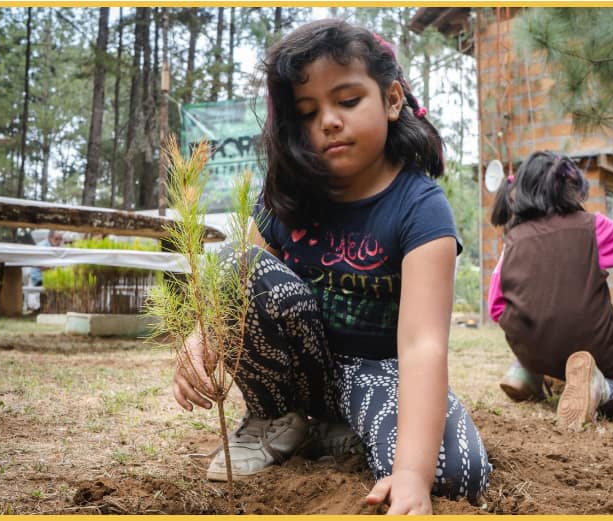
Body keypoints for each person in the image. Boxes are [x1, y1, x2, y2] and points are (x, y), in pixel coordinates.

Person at [171, 19, 490, 514]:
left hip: (381, 372)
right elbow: (240, 284)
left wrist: (410, 475)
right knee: (241, 263)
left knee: (455, 470)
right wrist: (201, 337)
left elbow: (422, 345)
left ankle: (340, 433)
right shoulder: (288, 199)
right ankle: (276, 421)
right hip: (302, 375)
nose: (328, 121)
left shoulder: (421, 208)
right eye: (308, 112)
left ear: (391, 99)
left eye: (347, 100)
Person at [488, 151, 613, 428]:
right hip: (595, 351)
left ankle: (526, 372)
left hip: (532, 350)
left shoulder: (513, 240)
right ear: (573, 189)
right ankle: (601, 388)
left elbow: (496, 307)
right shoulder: (592, 227)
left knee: (537, 326)